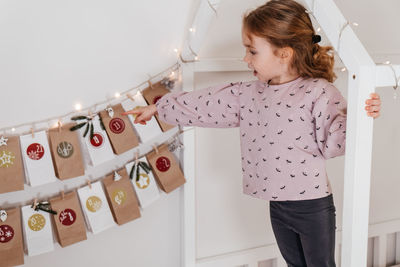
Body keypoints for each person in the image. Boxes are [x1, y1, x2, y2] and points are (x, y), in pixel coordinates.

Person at [122, 0, 381, 265]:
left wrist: (363, 115)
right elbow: (207, 104)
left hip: (312, 206)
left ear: (284, 53)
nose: (245, 59)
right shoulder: (249, 94)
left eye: (252, 51)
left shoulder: (318, 92)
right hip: (277, 205)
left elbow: (336, 141)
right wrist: (159, 108)